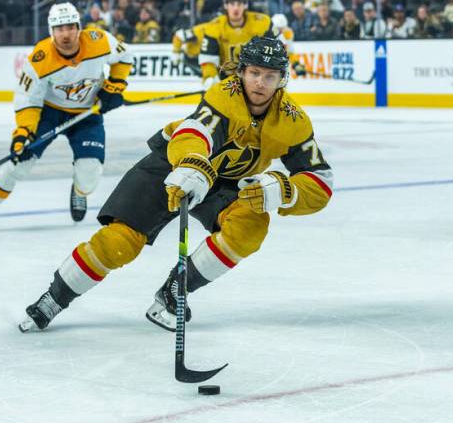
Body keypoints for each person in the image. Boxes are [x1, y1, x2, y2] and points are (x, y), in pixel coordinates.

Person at [17, 36, 334, 332]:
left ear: (282, 80)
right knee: (119, 242)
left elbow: (320, 180)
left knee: (250, 225)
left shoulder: (293, 121)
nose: (260, 83)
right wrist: (192, 164)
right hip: (173, 164)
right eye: (253, 73)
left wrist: (285, 190)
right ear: (241, 72)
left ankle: (175, 290)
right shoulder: (224, 94)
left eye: (269, 76)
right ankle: (55, 297)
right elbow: (196, 131)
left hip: (225, 184)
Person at [0, 3, 134, 230]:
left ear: (78, 27)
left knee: (90, 172)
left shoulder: (99, 41)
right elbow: (27, 100)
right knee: (18, 163)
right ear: (51, 31)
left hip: (87, 114)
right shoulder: (39, 59)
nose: (65, 34)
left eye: (70, 27)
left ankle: (79, 191)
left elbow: (124, 57)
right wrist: (23, 132)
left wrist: (115, 87)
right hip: (49, 114)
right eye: (59, 28)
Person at [171, 0, 273, 87]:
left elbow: (276, 47)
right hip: (225, 76)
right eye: (232, 4)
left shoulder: (260, 22)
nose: (236, 8)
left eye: (239, 3)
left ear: (245, 5)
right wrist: (210, 77)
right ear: (225, 6)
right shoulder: (213, 27)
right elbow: (207, 57)